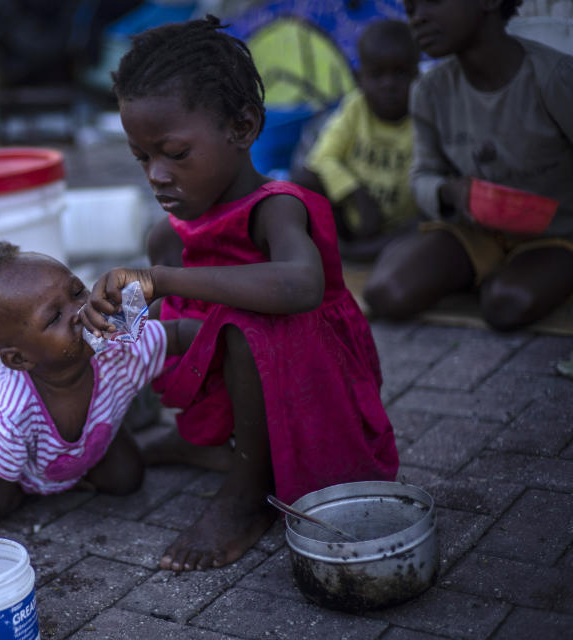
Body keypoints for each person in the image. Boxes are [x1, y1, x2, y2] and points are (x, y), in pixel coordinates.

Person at [80, 15, 398, 572]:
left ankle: (247, 496)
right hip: (245, 388)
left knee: (249, 327)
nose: (156, 175)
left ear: (243, 126)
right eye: (142, 158)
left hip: (318, 386)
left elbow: (301, 286)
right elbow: (171, 316)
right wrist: (111, 316)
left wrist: (164, 281)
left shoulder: (277, 208)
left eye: (175, 154)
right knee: (169, 319)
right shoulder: (169, 238)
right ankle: (207, 444)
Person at [0, 242, 200, 537]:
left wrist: (227, 339)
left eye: (77, 292)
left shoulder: (110, 334)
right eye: (55, 317)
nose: (81, 311)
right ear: (20, 359)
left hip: (94, 436)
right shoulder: (9, 412)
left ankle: (85, 458)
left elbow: (175, 331)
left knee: (128, 480)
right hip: (21, 471)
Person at [363, 0, 573, 330]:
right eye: (410, 8)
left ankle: (510, 274)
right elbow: (422, 174)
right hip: (477, 230)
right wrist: (448, 191)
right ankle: (476, 267)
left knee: (505, 305)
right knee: (385, 293)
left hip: (554, 234)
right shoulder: (430, 92)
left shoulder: (553, 78)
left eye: (431, 2)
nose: (418, 18)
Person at [292, 19, 421, 262]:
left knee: (427, 224)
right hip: (355, 215)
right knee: (303, 179)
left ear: (417, 74)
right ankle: (343, 246)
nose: (389, 84)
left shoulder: (423, 116)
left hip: (398, 226)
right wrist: (357, 195)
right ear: (359, 78)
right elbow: (321, 158)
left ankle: (352, 254)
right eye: (377, 74)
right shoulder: (355, 108)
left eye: (400, 73)